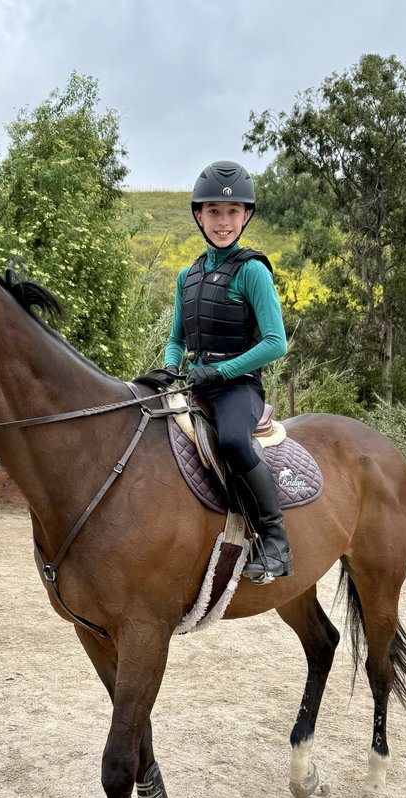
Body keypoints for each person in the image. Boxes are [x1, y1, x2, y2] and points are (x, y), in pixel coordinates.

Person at [162, 160, 293, 583]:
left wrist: (221, 372)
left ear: (245, 216)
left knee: (235, 441)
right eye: (214, 212)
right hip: (196, 382)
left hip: (238, 387)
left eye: (232, 212)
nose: (223, 221)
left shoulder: (253, 271)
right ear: (199, 216)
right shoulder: (188, 275)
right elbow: (177, 339)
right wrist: (169, 367)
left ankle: (275, 542)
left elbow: (276, 342)